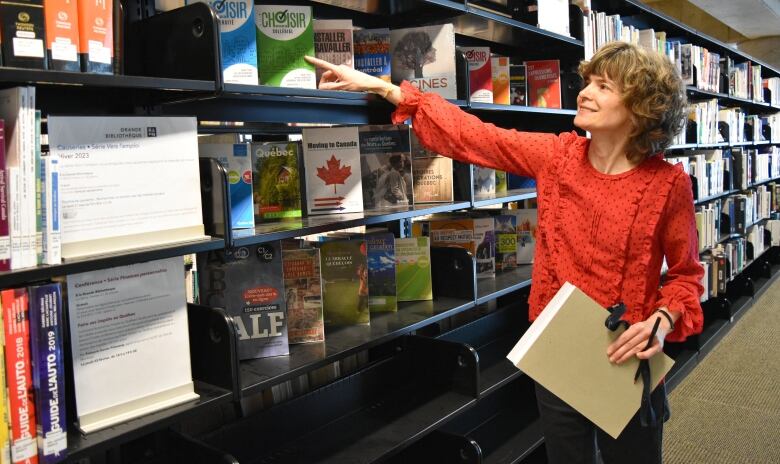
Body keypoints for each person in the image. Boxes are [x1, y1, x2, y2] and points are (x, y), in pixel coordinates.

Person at [305, 40, 703, 464]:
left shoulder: (667, 185)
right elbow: (476, 137)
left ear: (641, 106)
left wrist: (662, 321)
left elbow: (686, 275)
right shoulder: (558, 156)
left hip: (627, 352)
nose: (584, 92)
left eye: (603, 86)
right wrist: (385, 89)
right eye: (587, 82)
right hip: (558, 347)